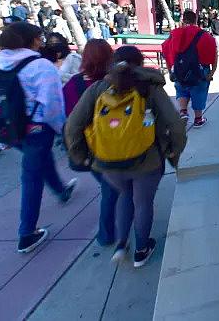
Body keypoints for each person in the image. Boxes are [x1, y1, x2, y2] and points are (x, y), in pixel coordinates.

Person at [65, 45, 187, 267]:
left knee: (123, 196)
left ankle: (121, 245)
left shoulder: (99, 88)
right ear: (140, 64)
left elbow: (73, 125)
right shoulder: (150, 88)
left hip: (108, 162)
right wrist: (173, 150)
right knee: (143, 203)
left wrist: (83, 156)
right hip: (147, 160)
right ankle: (141, 249)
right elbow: (175, 124)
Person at [0, 22, 76, 253]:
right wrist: (63, 131)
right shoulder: (41, 66)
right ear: (31, 41)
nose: (41, 42)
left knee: (38, 161)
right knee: (31, 175)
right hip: (36, 128)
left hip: (7, 128)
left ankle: (61, 190)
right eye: (38, 38)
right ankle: (27, 233)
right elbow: (52, 105)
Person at [63, 39, 118, 246]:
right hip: (112, 145)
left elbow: (67, 120)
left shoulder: (72, 85)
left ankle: (111, 229)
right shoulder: (114, 82)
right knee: (111, 189)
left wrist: (78, 153)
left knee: (110, 186)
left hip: (88, 149)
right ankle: (106, 234)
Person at [162, 9, 218, 127]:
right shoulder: (204, 35)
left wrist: (170, 69)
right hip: (200, 70)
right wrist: (212, 72)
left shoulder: (175, 34)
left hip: (179, 70)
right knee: (199, 92)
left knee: (181, 89)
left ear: (183, 20)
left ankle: (183, 112)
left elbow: (166, 51)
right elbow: (214, 53)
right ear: (196, 20)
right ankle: (198, 119)